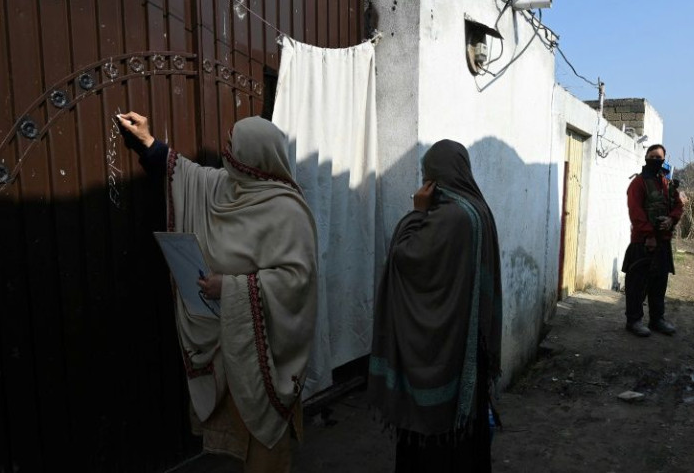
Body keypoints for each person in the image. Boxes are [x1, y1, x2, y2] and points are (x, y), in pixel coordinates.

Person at [117, 111, 318, 472]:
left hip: (263, 354)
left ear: (253, 159)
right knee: (237, 439)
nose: (225, 152)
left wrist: (231, 287)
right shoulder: (229, 185)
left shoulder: (288, 211)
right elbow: (188, 175)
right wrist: (147, 142)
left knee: (265, 445)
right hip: (228, 345)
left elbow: (296, 283)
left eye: (232, 146)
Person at [368, 139, 503, 472]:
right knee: (467, 439)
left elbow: (404, 255)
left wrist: (417, 212)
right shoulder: (479, 210)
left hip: (442, 351)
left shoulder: (448, 217)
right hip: (471, 347)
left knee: (437, 447)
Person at [622, 143, 683, 337]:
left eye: (660, 158)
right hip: (643, 242)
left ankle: (657, 320)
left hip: (662, 242)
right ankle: (634, 321)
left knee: (659, 284)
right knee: (637, 285)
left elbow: (678, 204)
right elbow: (636, 212)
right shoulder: (638, 183)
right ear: (646, 157)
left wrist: (671, 218)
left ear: (664, 160)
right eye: (653, 156)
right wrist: (649, 235)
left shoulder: (666, 183)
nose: (656, 160)